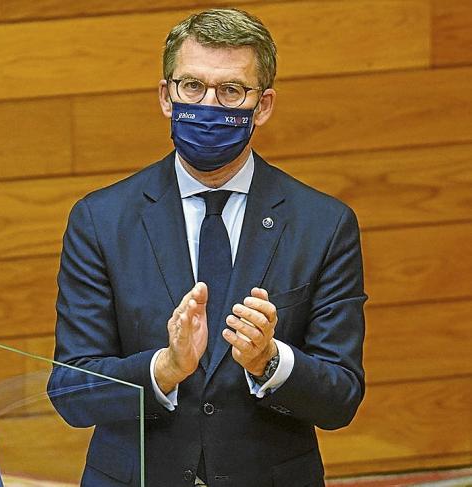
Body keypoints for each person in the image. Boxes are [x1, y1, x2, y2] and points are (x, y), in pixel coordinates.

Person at [49, 8, 366, 487]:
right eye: (192, 86)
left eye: (231, 90)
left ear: (263, 106)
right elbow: (72, 390)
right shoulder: (100, 220)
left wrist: (269, 361)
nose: (209, 105)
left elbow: (341, 398)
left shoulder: (323, 224)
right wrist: (165, 368)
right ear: (166, 96)